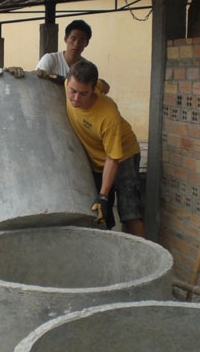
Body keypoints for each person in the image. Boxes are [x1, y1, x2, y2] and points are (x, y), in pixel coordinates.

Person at [65, 60, 145, 237]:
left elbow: (113, 158)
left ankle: (140, 259)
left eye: (83, 93)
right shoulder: (67, 83)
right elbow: (105, 86)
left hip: (123, 157)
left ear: (93, 89)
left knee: (129, 211)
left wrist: (103, 195)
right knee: (99, 214)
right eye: (73, 91)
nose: (76, 98)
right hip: (96, 160)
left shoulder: (108, 115)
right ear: (68, 81)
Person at [36, 19, 110, 94]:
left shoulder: (87, 67)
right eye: (73, 39)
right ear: (66, 39)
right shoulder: (50, 59)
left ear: (86, 43)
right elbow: (37, 84)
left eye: (81, 41)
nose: (76, 44)